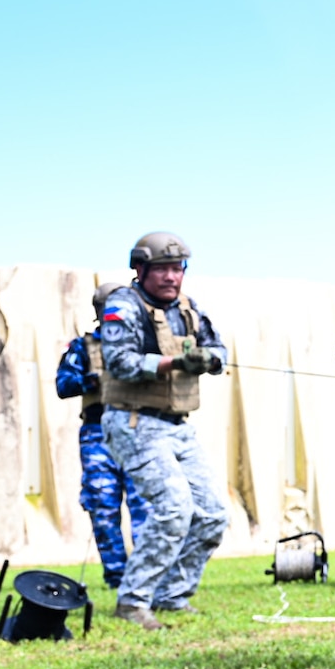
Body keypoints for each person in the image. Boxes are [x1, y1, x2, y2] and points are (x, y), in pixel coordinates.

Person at [98, 231, 231, 631]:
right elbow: (118, 361)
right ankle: (133, 600)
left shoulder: (188, 308)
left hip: (177, 425)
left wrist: (208, 359)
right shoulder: (123, 305)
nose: (172, 277)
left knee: (212, 514)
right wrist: (173, 364)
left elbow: (220, 350)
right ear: (140, 269)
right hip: (134, 421)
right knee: (174, 508)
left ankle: (172, 595)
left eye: (178, 268)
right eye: (162, 269)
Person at [54, 282, 149, 589]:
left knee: (144, 506)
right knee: (102, 504)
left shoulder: (145, 343)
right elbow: (63, 385)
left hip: (138, 431)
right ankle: (117, 577)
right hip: (98, 433)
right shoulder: (82, 347)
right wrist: (88, 381)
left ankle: (145, 575)